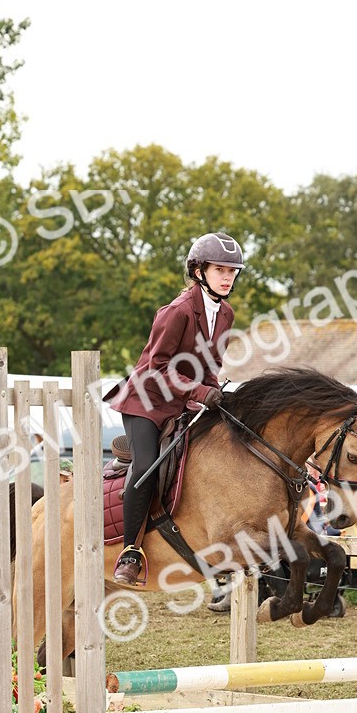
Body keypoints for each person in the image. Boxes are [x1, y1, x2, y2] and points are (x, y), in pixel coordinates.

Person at [110, 231, 244, 585]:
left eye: (232, 271)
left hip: (184, 400)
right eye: (220, 269)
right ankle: (130, 553)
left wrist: (218, 392)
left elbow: (211, 364)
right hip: (148, 401)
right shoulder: (178, 311)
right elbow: (157, 367)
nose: (228, 276)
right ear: (198, 271)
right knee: (147, 467)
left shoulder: (226, 313)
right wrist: (201, 391)